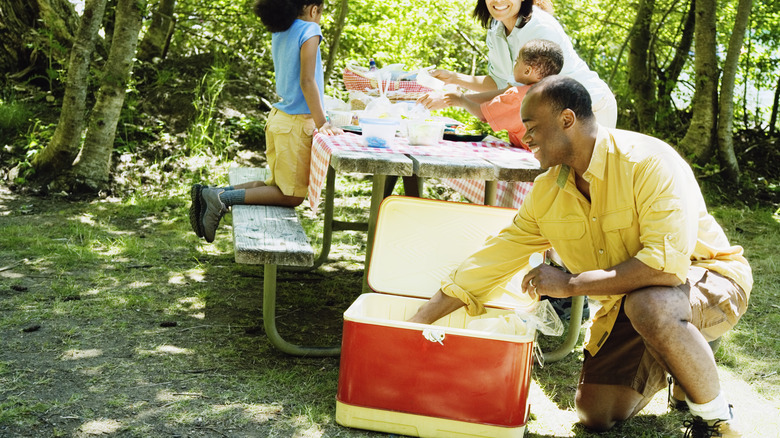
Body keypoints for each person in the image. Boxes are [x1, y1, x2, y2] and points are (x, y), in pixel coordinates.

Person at [408, 76, 751, 437]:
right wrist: (418, 322)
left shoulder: (649, 162)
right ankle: (683, 365)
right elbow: (496, 255)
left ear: (567, 120)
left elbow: (665, 267)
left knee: (651, 306)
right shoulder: (547, 190)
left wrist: (571, 284)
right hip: (628, 303)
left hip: (705, 278)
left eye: (532, 127)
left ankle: (717, 420)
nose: (526, 138)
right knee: (596, 415)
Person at [189, 0, 342, 243]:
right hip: (295, 125)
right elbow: (307, 81)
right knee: (291, 196)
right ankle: (221, 199)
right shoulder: (310, 30)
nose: (320, 18)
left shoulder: (282, 30)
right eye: (321, 12)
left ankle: (212, 193)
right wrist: (323, 122)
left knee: (273, 185)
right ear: (314, 9)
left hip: (279, 119)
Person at [419, 0, 617, 128]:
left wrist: (456, 99)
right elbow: (499, 82)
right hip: (558, 112)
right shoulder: (497, 30)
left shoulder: (539, 30)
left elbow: (518, 93)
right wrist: (454, 79)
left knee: (586, 186)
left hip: (591, 107)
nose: (498, 1)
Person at [439, 38, 563, 150]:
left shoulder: (519, 96)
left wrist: (460, 99)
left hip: (535, 159)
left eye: (516, 62)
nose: (514, 65)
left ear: (527, 70)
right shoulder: (553, 95)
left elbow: (483, 114)